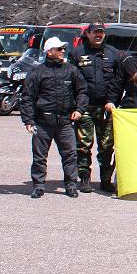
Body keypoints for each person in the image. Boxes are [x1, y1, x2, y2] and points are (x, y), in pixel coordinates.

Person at [21, 37, 88, 199]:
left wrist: (79, 109)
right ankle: (38, 186)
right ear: (49, 51)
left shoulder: (71, 70)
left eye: (63, 48)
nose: (63, 51)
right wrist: (28, 120)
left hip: (65, 122)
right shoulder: (37, 72)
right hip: (43, 121)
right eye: (59, 49)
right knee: (39, 156)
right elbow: (27, 97)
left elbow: (83, 91)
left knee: (70, 154)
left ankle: (71, 185)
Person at [68, 21, 119, 193]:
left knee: (106, 146)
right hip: (85, 107)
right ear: (88, 34)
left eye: (101, 33)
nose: (98, 35)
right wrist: (75, 106)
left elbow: (118, 82)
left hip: (106, 108)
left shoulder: (113, 53)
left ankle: (105, 180)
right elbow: (70, 82)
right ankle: (84, 178)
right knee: (83, 144)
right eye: (95, 32)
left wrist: (112, 100)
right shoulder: (77, 53)